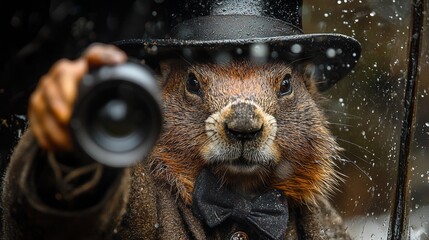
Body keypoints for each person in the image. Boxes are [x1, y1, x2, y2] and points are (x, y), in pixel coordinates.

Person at [2, 0, 361, 239]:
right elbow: (61, 216)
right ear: (163, 84)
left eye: (283, 86)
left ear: (307, 86)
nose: (244, 123)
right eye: (193, 84)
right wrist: (69, 147)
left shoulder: (316, 221)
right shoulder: (139, 196)